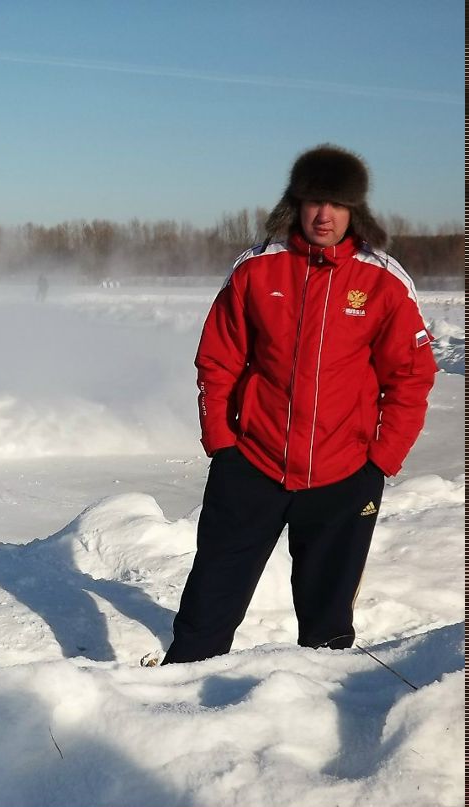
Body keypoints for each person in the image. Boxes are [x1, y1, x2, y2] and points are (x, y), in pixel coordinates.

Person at [161, 144, 438, 665]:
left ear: (355, 210)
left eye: (337, 203)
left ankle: (318, 707)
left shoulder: (382, 279)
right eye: (314, 201)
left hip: (344, 475)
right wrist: (221, 441)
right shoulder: (257, 268)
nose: (324, 214)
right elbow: (218, 360)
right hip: (252, 466)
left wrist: (381, 459)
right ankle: (174, 696)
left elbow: (410, 377)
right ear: (296, 204)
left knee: (327, 629)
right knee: (206, 610)